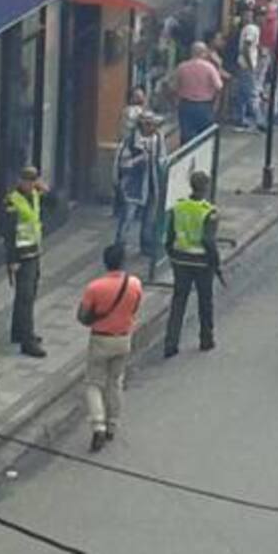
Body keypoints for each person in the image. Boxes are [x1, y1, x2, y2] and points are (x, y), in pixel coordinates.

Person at [78, 243, 143, 452]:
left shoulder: (95, 287)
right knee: (115, 382)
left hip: (100, 339)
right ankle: (112, 425)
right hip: (124, 338)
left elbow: (82, 316)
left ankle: (98, 424)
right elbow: (135, 308)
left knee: (94, 383)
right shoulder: (134, 284)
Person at [163, 171, 220, 358]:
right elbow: (209, 241)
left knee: (179, 300)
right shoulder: (209, 212)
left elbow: (170, 236)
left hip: (180, 259)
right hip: (202, 262)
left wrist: (171, 253)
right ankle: (206, 338)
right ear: (206, 187)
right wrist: (215, 261)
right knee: (205, 300)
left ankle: (171, 342)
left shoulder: (179, 207)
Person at [113, 111, 166, 273]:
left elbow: (163, 159)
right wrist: (139, 160)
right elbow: (122, 164)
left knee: (149, 217)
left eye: (154, 124)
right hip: (133, 187)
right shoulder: (129, 142)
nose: (152, 128)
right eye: (149, 124)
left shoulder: (158, 139)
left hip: (152, 184)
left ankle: (146, 244)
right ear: (142, 125)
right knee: (127, 217)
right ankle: (119, 248)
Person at [4, 166, 48, 358]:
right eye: (28, 181)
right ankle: (27, 341)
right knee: (26, 297)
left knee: (27, 294)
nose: (31, 184)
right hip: (21, 256)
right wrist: (12, 260)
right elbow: (9, 232)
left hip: (34, 252)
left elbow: (50, 206)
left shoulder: (36, 195)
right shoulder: (12, 200)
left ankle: (18, 331)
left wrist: (46, 190)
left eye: (34, 181)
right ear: (21, 180)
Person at [174, 41, 223, 144]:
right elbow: (219, 87)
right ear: (204, 53)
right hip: (204, 105)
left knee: (186, 137)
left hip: (186, 104)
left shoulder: (182, 67)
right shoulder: (209, 68)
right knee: (204, 138)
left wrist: (176, 101)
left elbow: (174, 86)